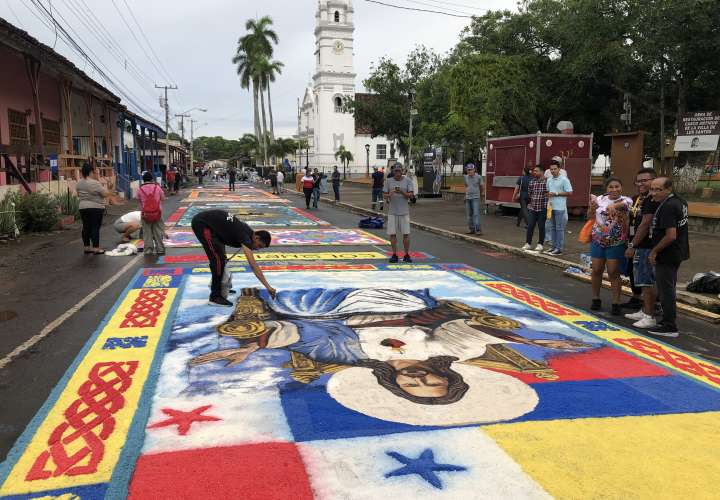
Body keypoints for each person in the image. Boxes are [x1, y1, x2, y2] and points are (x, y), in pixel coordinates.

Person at [191, 209, 276, 306]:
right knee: (217, 260)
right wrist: (268, 287)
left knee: (221, 258)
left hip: (213, 227)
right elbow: (253, 265)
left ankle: (221, 287)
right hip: (202, 224)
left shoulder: (248, 234)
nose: (257, 249)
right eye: (259, 246)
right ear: (256, 237)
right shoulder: (245, 236)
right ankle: (215, 297)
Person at [646, 177, 689, 337]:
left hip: (668, 253)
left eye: (658, 190)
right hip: (677, 251)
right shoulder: (679, 201)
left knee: (666, 290)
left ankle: (669, 325)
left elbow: (670, 235)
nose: (653, 193)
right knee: (667, 286)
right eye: (652, 189)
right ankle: (667, 321)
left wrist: (654, 251)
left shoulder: (669, 206)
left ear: (669, 189)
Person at [588, 178, 633, 315]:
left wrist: (612, 206)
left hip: (616, 241)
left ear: (621, 187)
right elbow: (590, 217)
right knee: (596, 270)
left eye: (617, 186)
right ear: (606, 189)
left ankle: (616, 302)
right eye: (611, 187)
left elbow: (621, 207)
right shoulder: (599, 199)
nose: (614, 189)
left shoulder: (627, 200)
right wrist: (593, 208)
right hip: (597, 239)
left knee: (613, 271)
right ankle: (595, 298)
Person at [624, 168, 659, 327]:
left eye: (645, 180)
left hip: (646, 244)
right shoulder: (637, 199)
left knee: (647, 280)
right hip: (637, 242)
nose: (641, 184)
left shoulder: (653, 199)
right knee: (639, 277)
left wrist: (633, 245)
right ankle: (645, 309)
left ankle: (650, 314)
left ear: (654, 180)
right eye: (638, 181)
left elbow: (645, 224)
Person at [383, 164, 414, 263]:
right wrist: (390, 194)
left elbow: (411, 195)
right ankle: (394, 254)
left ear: (402, 171)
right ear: (393, 171)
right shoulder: (388, 181)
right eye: (396, 171)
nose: (397, 173)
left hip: (404, 212)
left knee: (406, 234)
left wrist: (401, 192)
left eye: (399, 171)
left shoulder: (408, 181)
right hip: (392, 212)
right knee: (392, 234)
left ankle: (406, 254)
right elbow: (384, 195)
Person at [77, 163, 110, 254]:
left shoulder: (79, 183)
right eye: (94, 172)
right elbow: (105, 194)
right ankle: (96, 248)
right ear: (91, 172)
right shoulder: (95, 183)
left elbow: (78, 194)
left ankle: (86, 247)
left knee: (86, 227)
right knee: (95, 227)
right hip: (96, 207)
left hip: (83, 207)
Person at [546, 161, 573, 255]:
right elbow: (548, 191)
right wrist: (548, 195)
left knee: (559, 228)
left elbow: (570, 192)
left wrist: (556, 194)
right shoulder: (549, 179)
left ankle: (559, 248)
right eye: (551, 169)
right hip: (550, 206)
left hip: (560, 207)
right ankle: (553, 246)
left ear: (559, 169)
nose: (553, 171)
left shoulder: (564, 179)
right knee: (552, 227)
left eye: (555, 169)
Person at [137, 171, 166, 256]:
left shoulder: (140, 189)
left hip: (145, 214)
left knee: (147, 232)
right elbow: (163, 198)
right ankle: (160, 249)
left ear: (143, 180)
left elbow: (138, 200)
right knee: (158, 231)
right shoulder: (157, 187)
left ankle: (148, 250)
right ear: (152, 179)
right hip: (158, 213)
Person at [522, 165, 548, 252]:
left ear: (542, 172)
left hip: (543, 208)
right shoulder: (532, 182)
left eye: (536, 171)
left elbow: (548, 194)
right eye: (534, 171)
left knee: (541, 226)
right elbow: (530, 194)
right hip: (533, 208)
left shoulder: (547, 182)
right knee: (530, 226)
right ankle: (528, 243)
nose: (534, 172)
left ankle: (540, 244)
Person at [463, 163, 483, 235]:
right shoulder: (465, 177)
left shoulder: (479, 177)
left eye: (471, 170)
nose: (469, 171)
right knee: (469, 215)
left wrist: (480, 195)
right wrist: (465, 196)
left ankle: (478, 230)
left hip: (475, 198)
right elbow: (466, 186)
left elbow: (481, 187)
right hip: (468, 198)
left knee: (476, 214)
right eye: (468, 170)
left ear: (474, 170)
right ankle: (471, 229)